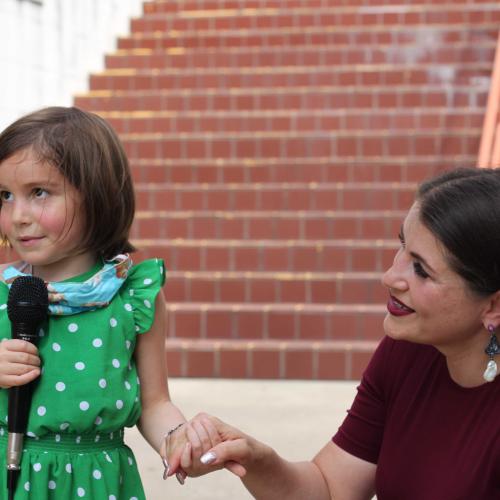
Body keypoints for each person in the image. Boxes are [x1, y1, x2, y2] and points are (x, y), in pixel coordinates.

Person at [166, 167, 500, 499]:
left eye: (421, 270)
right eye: (402, 246)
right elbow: (331, 490)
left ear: (493, 306)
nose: (390, 277)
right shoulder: (409, 349)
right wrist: (254, 458)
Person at [0, 106, 204, 499]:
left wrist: (178, 440)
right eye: (5, 196)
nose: (18, 216)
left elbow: (154, 403)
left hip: (96, 482)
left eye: (39, 192)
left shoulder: (133, 298)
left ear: (98, 195)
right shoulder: (4, 294)